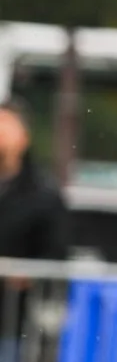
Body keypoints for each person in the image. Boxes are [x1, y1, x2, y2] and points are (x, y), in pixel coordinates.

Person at [0, 101, 69, 265]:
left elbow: (55, 254)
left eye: (6, 126)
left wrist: (23, 276)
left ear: (24, 138)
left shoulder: (44, 196)